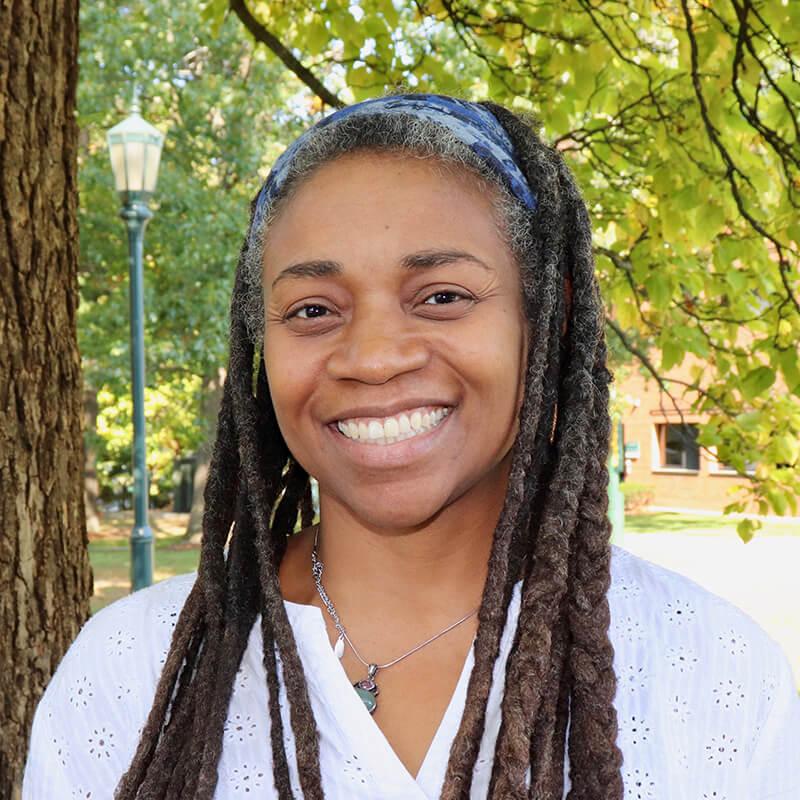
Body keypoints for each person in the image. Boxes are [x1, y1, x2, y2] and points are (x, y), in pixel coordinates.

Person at [23, 94, 800, 800]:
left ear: (547, 321)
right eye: (313, 309)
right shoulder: (126, 674)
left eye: (442, 297)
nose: (374, 355)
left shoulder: (717, 672)